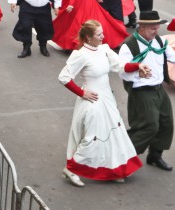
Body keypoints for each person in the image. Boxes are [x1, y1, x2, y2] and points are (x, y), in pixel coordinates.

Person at [118, 10, 175, 172]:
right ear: (142, 27)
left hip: (158, 89)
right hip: (141, 91)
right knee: (148, 127)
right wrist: (137, 70)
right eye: (153, 28)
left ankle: (155, 155)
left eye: (157, 27)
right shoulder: (130, 45)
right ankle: (122, 157)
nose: (157, 31)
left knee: (166, 124)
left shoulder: (158, 42)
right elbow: (122, 70)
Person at [59, 21, 143, 187]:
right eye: (99, 34)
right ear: (89, 37)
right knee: (93, 138)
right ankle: (71, 169)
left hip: (107, 99)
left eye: (102, 33)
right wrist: (82, 93)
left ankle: (112, 171)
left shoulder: (104, 49)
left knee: (113, 135)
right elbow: (64, 77)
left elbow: (119, 65)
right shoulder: (81, 54)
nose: (103, 36)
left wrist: (139, 66)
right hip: (93, 102)